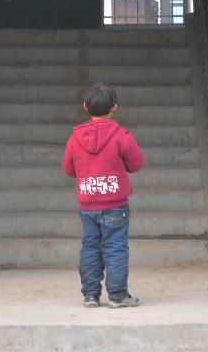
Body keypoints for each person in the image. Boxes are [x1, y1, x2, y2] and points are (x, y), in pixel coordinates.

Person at [63, 83, 145, 308]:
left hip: (88, 204)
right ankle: (118, 296)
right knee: (115, 247)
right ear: (115, 107)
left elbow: (69, 169)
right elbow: (136, 163)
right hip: (115, 205)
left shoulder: (75, 138)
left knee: (90, 246)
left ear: (85, 107)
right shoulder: (121, 136)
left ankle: (90, 295)